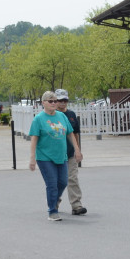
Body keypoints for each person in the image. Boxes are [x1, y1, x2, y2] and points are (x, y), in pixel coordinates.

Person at [29, 90, 83, 221]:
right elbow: (34, 138)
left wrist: (77, 149)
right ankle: (52, 210)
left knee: (63, 182)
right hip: (45, 157)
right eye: (50, 101)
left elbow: (70, 133)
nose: (54, 103)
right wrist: (32, 158)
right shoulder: (38, 119)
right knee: (52, 183)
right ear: (43, 103)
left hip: (61, 156)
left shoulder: (62, 116)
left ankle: (52, 200)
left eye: (55, 101)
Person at [55, 88, 87, 215]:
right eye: (60, 100)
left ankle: (76, 205)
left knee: (72, 178)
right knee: (58, 181)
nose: (63, 103)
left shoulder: (71, 115)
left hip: (70, 153)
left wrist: (77, 150)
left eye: (65, 100)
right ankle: (54, 204)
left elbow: (76, 134)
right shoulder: (52, 116)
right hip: (56, 154)